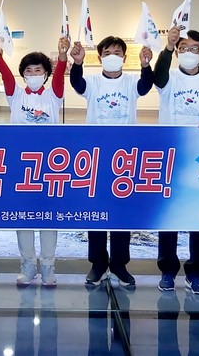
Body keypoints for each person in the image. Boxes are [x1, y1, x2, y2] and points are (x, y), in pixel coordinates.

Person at [69, 36, 154, 288]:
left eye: (117, 53)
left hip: (124, 158)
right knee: (96, 211)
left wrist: (146, 65)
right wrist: (77, 63)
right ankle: (97, 263)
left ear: (125, 58)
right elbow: (77, 84)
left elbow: (145, 87)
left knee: (120, 213)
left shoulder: (130, 82)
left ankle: (119, 265)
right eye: (107, 53)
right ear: (99, 57)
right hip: (97, 157)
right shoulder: (93, 82)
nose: (112, 56)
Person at [0, 33, 70, 286]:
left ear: (46, 74)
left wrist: (62, 56)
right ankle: (28, 264)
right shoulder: (16, 95)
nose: (33, 74)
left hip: (50, 166)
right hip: (21, 166)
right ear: (23, 75)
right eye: (28, 71)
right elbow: (5, 73)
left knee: (48, 216)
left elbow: (60, 74)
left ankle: (48, 266)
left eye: (38, 70)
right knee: (23, 216)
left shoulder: (54, 94)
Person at [153, 26, 199, 295]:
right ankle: (167, 270)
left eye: (195, 48)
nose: (189, 52)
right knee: (170, 215)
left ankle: (195, 271)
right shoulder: (169, 78)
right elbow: (158, 76)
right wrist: (167, 47)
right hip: (171, 155)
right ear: (177, 52)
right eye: (184, 48)